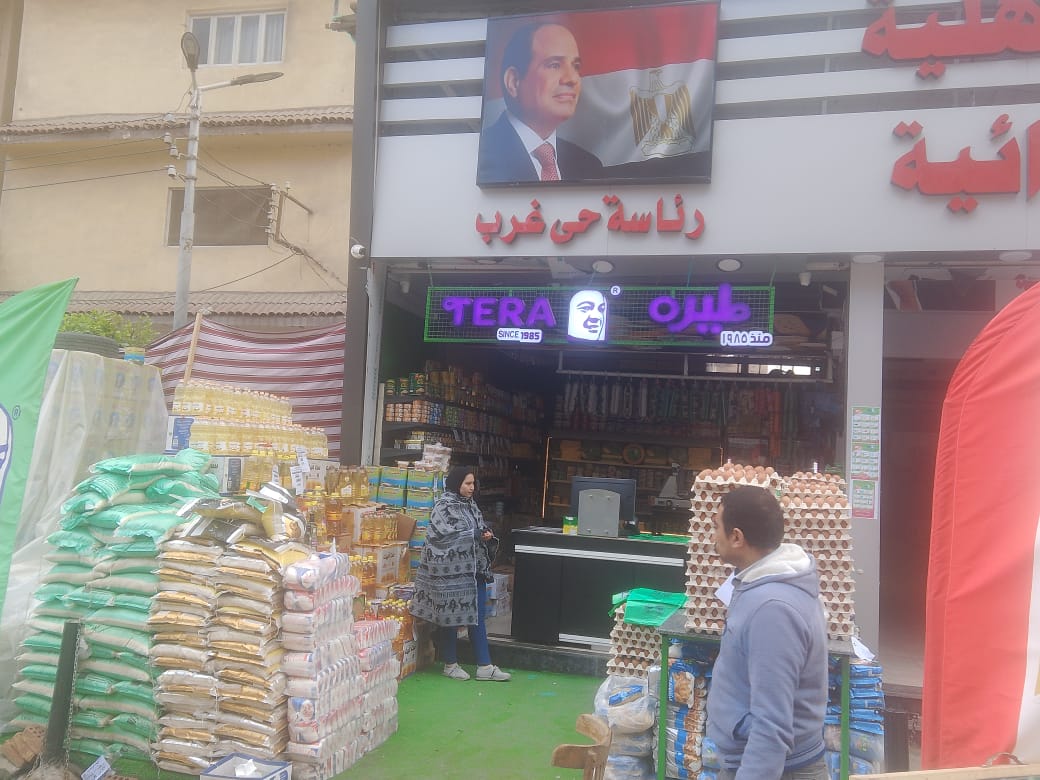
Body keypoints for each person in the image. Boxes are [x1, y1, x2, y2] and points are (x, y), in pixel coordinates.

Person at [706, 485, 828, 780]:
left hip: (776, 769)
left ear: (737, 537)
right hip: (755, 761)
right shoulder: (761, 584)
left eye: (716, 527)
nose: (712, 536)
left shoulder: (772, 609)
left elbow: (772, 724)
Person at [409, 466, 511, 681]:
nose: (472, 487)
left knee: (477, 617)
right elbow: (440, 538)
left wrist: (485, 535)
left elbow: (475, 530)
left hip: (473, 571)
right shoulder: (443, 507)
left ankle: (485, 666)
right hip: (450, 576)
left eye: (473, 483)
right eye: (468, 483)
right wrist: (472, 534)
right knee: (451, 618)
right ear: (457, 484)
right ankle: (450, 664)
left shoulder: (471, 506)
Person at [477, 22, 603, 184]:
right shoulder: (481, 155)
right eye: (554, 65)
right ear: (514, 81)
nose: (572, 79)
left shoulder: (589, 165)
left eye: (576, 66)